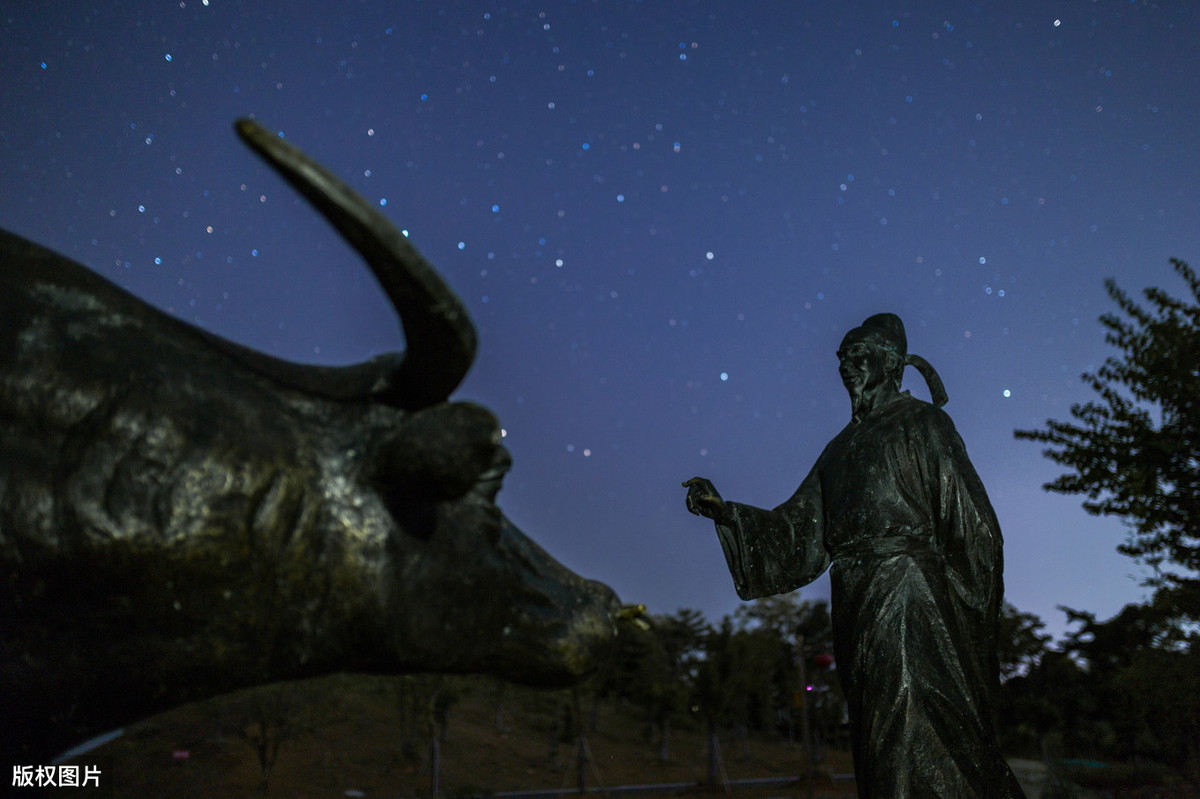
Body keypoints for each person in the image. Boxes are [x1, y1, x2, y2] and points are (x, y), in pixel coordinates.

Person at [684, 313, 1025, 798]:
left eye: (859, 355)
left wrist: (967, 618)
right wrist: (727, 514)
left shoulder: (924, 423)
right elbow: (799, 531)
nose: (847, 365)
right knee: (873, 721)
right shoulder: (839, 449)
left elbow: (973, 528)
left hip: (911, 593)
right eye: (842, 357)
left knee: (911, 712)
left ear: (891, 364)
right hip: (853, 598)